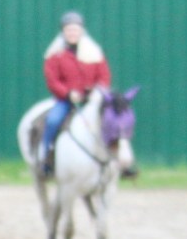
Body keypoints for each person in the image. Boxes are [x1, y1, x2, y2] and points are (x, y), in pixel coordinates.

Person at [41, 10, 131, 179]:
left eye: (75, 29)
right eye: (68, 30)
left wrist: (97, 90)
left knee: (114, 121)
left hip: (92, 100)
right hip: (66, 101)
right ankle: (47, 158)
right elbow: (52, 80)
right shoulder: (55, 54)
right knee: (52, 121)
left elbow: (104, 76)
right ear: (63, 32)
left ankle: (121, 162)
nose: (72, 33)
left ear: (81, 31)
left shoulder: (94, 51)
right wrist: (68, 94)